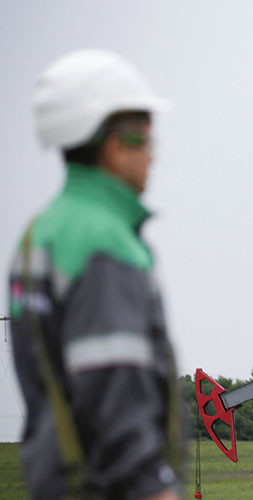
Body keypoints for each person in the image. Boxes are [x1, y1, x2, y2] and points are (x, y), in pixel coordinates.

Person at [8, 50, 184, 500]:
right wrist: (155, 490)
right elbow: (113, 392)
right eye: (146, 139)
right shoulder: (104, 243)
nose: (154, 156)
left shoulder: (36, 239)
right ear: (114, 146)